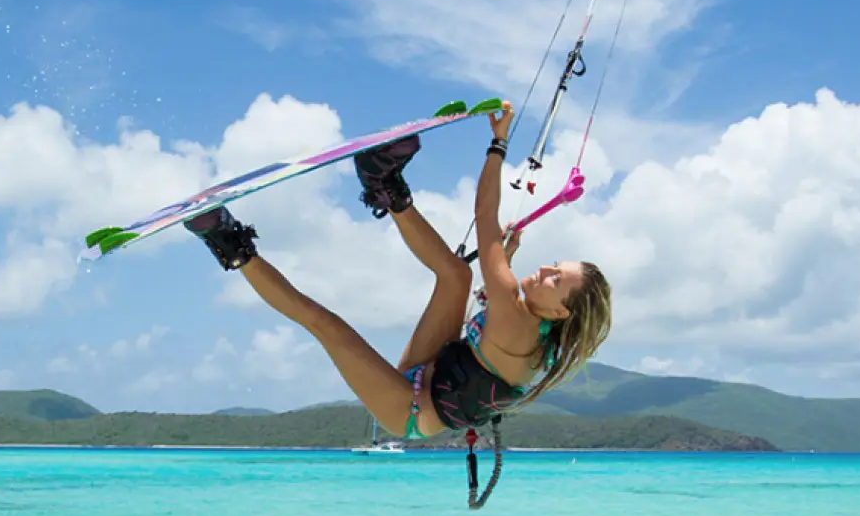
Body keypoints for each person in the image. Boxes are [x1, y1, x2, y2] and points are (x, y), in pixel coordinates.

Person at [183, 101, 612, 441]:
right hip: (430, 369)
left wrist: (498, 144)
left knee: (328, 326)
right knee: (457, 277)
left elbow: (485, 214)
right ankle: (382, 183)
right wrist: (504, 260)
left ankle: (228, 242)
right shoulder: (535, 324)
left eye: (557, 280)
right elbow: (498, 328)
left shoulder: (519, 316)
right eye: (555, 265)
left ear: (560, 313)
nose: (546, 271)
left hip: (407, 411)